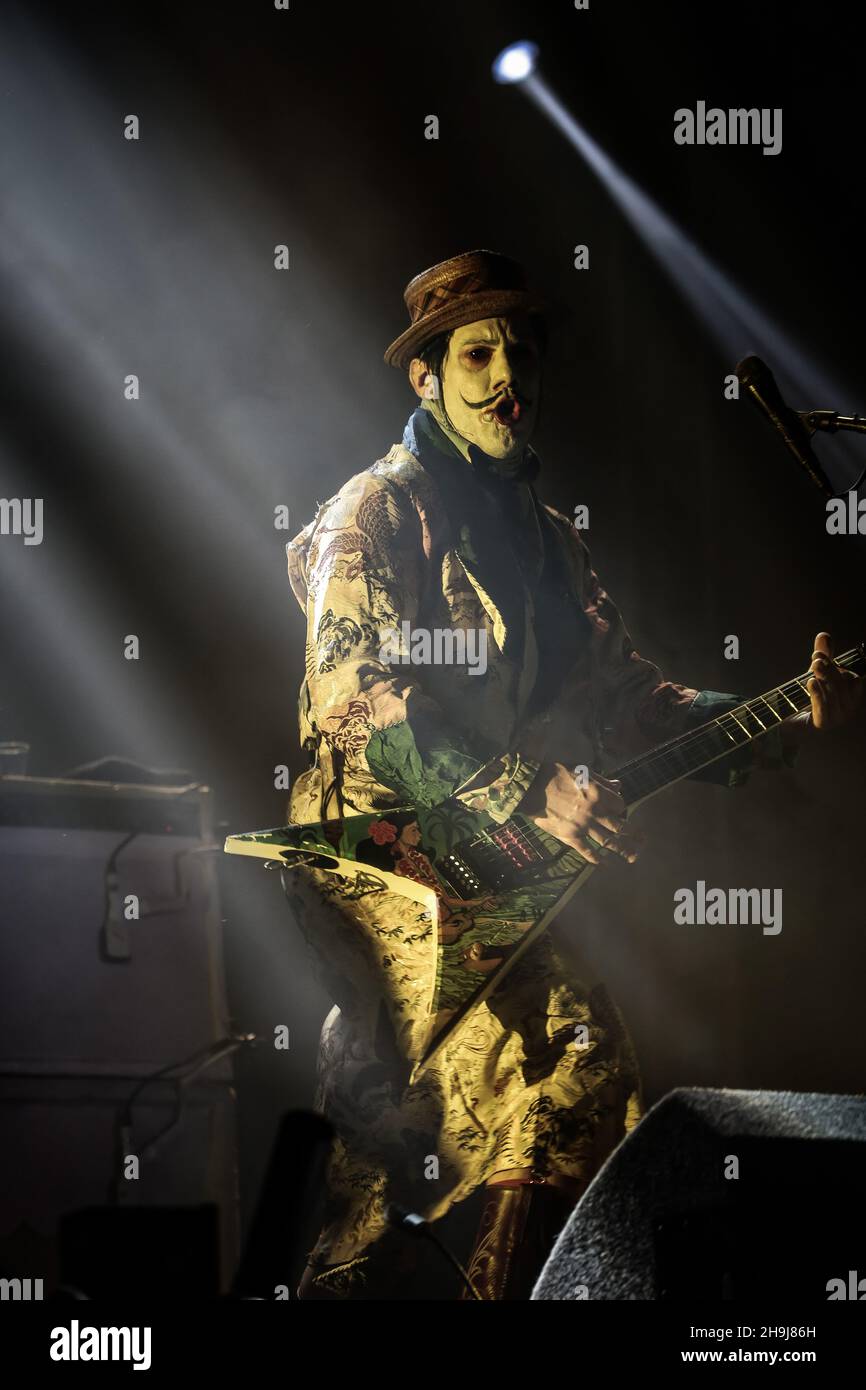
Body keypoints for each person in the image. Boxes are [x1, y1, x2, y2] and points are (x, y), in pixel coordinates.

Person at [282, 249, 862, 1299]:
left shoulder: (549, 545)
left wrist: (781, 712)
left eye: (520, 352)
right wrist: (524, 789)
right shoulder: (374, 512)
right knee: (571, 1073)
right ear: (426, 377)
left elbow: (632, 699)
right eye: (476, 353)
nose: (507, 375)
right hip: (375, 866)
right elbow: (350, 698)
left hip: (491, 874)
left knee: (391, 1175)